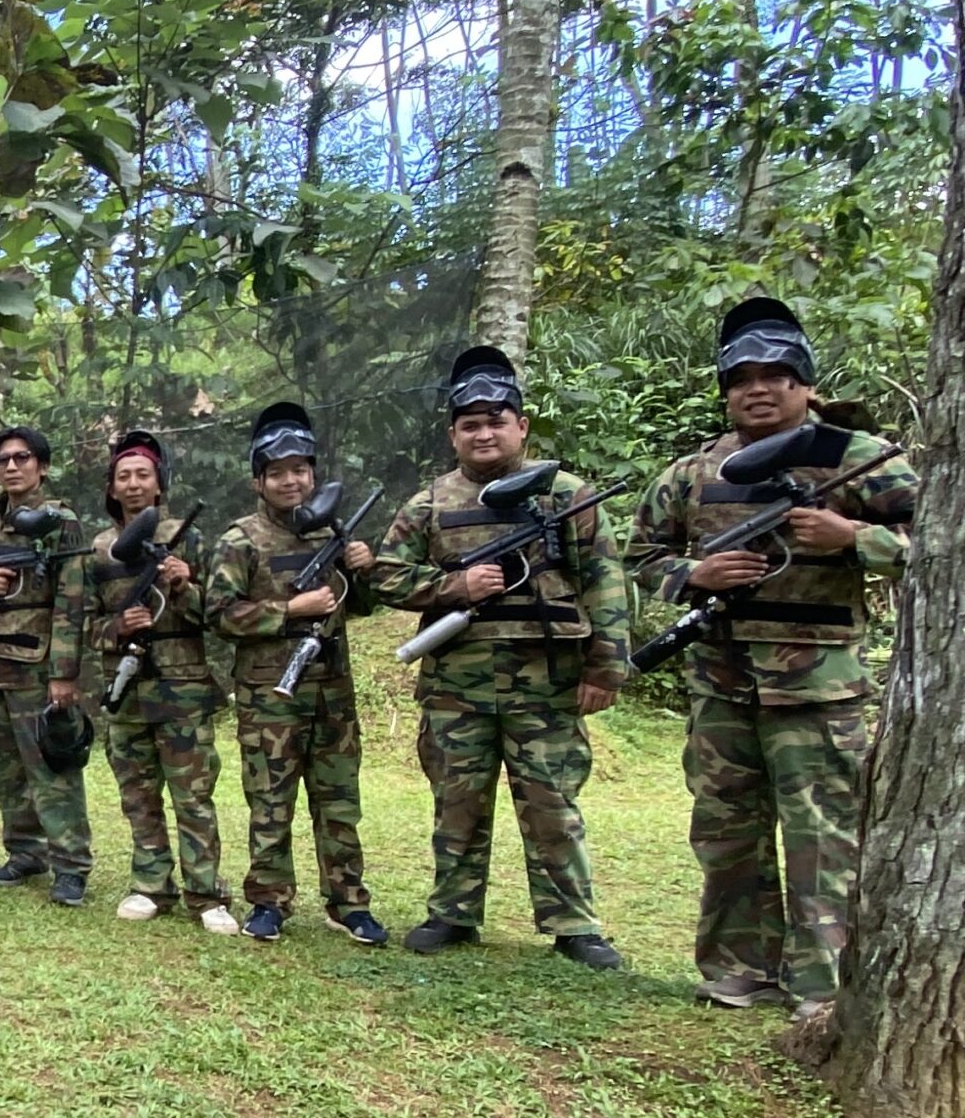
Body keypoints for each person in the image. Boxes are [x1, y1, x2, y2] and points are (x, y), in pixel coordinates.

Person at [629, 297, 916, 1016]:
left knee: (823, 836)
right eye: (741, 378)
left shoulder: (860, 459)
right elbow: (640, 555)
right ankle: (737, 969)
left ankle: (823, 986)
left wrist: (852, 538)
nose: (758, 389)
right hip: (723, 684)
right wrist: (693, 575)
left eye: (777, 375)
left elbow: (937, 539)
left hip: (819, 687)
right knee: (727, 827)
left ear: (807, 384)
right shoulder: (693, 474)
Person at [378, 348, 629, 971]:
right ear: (453, 434)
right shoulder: (428, 505)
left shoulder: (564, 496)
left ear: (521, 425)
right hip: (456, 682)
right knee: (457, 799)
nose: (484, 433)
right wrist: (453, 589)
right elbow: (386, 576)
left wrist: (607, 666)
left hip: (547, 680)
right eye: (470, 424)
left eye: (497, 420)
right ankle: (453, 912)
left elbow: (606, 581)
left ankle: (574, 923)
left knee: (552, 802)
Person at [204, 402, 387, 946]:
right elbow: (218, 614)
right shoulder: (241, 541)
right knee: (270, 802)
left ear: (313, 473)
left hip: (332, 693)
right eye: (278, 472)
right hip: (269, 698)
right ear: (259, 479)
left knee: (339, 803)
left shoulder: (333, 531)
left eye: (300, 470)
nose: (291, 481)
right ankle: (268, 901)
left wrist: (364, 570)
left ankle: (349, 902)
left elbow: (364, 605)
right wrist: (289, 610)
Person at [89, 431, 234, 934]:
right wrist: (117, 628)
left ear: (159, 484)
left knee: (193, 794)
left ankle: (206, 893)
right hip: (126, 690)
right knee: (139, 795)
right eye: (123, 476)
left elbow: (220, 614)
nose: (132, 485)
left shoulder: (188, 539)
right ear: (111, 487)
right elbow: (83, 624)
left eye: (142, 475)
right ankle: (150, 885)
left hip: (184, 689)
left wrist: (182, 585)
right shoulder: (100, 550)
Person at [0, 425, 91, 906]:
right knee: (4, 772)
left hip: (39, 669)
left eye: (22, 458)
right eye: (3, 460)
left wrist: (63, 673)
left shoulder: (62, 523)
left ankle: (71, 866)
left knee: (51, 770)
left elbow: (73, 600)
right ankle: (25, 852)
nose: (12, 467)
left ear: (42, 466)